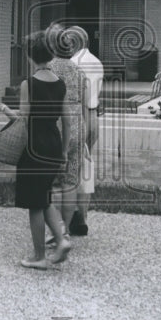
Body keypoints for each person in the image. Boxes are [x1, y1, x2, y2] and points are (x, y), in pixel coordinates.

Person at [0, 31, 71, 270]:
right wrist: (64, 151)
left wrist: (4, 108)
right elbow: (66, 121)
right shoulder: (60, 84)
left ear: (29, 57)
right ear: (52, 55)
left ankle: (39, 256)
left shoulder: (29, 83)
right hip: (54, 144)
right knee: (44, 196)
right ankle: (61, 240)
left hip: (35, 146)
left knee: (35, 203)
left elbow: (24, 118)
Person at [43, 22, 86, 249]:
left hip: (57, 127)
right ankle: (66, 231)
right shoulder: (79, 71)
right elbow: (86, 104)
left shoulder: (48, 69)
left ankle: (54, 231)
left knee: (49, 182)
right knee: (71, 182)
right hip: (78, 126)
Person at [65, 25, 103, 236]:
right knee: (85, 168)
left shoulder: (73, 64)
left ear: (75, 42)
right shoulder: (96, 61)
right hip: (94, 115)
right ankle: (82, 217)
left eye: (68, 43)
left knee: (72, 170)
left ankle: (72, 219)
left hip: (80, 116)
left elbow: (77, 97)